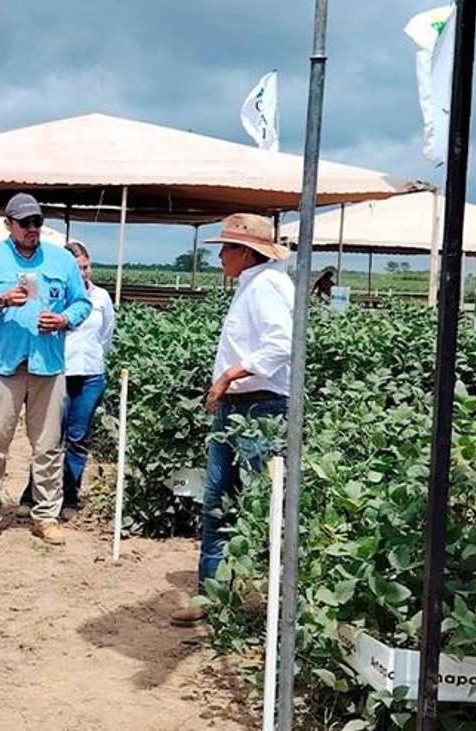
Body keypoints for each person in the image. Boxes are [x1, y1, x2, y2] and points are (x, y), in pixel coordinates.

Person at [170, 214, 292, 627]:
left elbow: (282, 344)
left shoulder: (268, 286)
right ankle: (212, 593)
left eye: (226, 248)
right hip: (239, 406)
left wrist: (229, 375)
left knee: (256, 502)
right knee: (220, 500)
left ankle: (257, 599)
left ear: (246, 252)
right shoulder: (253, 284)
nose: (220, 255)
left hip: (259, 407)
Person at [0, 193, 91, 546]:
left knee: (48, 446)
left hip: (48, 366)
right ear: (8, 224)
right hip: (3, 365)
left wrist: (64, 319)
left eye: (37, 221)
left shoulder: (62, 260)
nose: (33, 228)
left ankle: (45, 516)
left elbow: (82, 302)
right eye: (25, 223)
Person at [17, 239, 115, 522]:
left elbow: (106, 334)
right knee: (47, 439)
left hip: (90, 375)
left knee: (77, 438)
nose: (82, 274)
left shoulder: (101, 298)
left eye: (85, 267)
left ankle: (70, 496)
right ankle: (33, 495)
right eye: (76, 269)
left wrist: (93, 357)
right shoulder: (54, 296)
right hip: (57, 373)